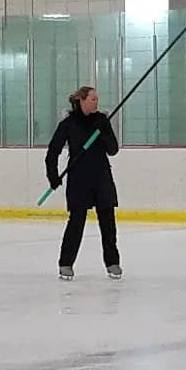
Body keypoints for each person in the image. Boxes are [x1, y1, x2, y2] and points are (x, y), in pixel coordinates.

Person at [45, 86, 122, 281]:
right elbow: (52, 152)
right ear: (81, 100)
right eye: (93, 99)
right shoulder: (69, 124)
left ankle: (112, 263)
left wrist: (104, 134)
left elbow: (113, 150)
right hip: (79, 179)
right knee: (76, 222)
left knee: (108, 223)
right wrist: (53, 176)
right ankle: (66, 263)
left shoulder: (102, 121)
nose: (96, 102)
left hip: (102, 177)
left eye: (97, 99)